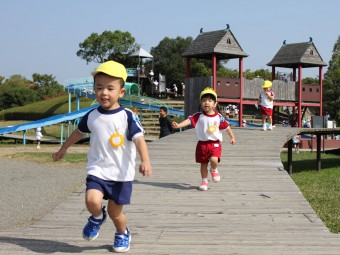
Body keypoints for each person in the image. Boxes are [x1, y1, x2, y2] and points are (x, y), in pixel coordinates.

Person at [52, 60, 152, 253]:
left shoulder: (128, 116)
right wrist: (64, 148)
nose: (103, 93)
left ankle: (122, 232)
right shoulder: (91, 115)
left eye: (109, 88)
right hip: (98, 170)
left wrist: (145, 160)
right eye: (99, 88)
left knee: (116, 213)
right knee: (92, 201)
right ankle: (97, 217)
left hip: (121, 175)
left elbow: (139, 139)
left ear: (121, 92)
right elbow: (78, 133)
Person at [172, 87, 235, 191]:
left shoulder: (219, 117)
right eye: (204, 100)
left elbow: (227, 127)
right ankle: (204, 181)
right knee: (203, 164)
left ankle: (214, 169)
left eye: (210, 101)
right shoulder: (198, 116)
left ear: (215, 104)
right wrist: (178, 125)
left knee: (214, 160)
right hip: (202, 144)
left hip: (214, 143)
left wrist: (232, 137)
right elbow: (188, 121)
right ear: (201, 103)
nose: (207, 103)